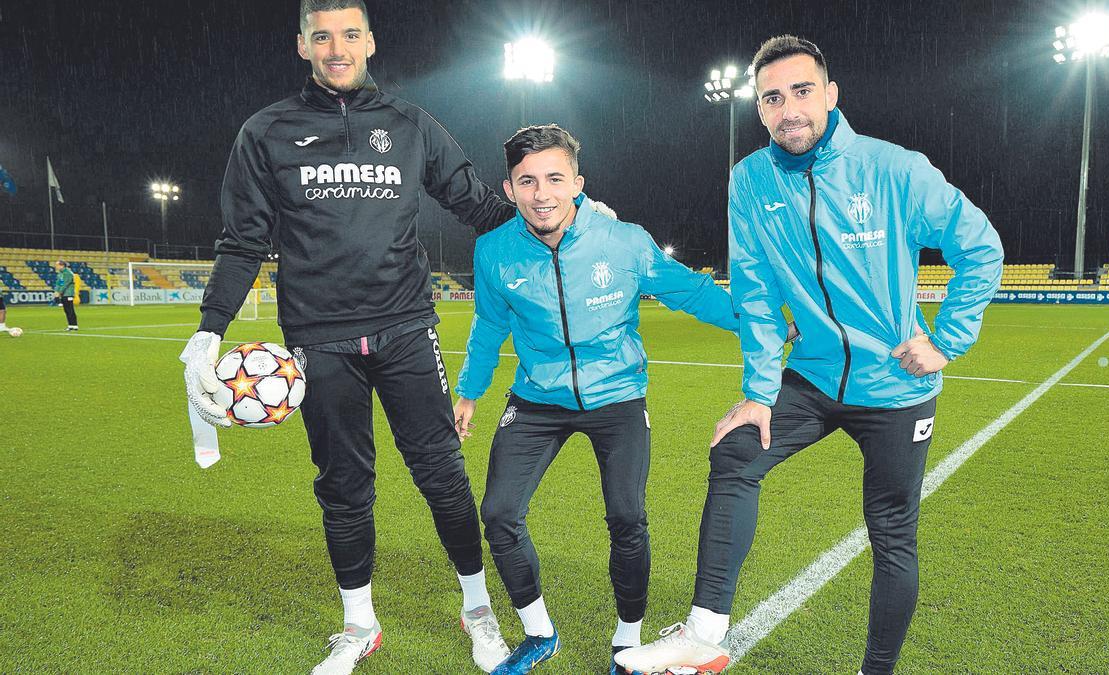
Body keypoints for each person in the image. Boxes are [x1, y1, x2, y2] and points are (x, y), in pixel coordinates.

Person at [172, 1, 580, 672]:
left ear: (370, 41)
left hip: (406, 329)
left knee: (443, 476)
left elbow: (476, 203)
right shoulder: (266, 131)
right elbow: (243, 238)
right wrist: (209, 328)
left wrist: (557, 225)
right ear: (302, 44)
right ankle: (359, 623)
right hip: (317, 341)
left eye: (350, 34)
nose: (338, 47)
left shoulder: (408, 124)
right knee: (342, 484)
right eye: (322, 35)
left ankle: (477, 609)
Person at [616, 36, 1003, 675]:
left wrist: (946, 340)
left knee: (891, 533)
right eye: (772, 97)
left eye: (801, 92)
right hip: (815, 377)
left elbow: (980, 246)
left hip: (896, 385)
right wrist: (759, 393)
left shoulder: (894, 170)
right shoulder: (750, 181)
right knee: (736, 451)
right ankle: (705, 637)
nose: (788, 109)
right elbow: (758, 296)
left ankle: (876, 668)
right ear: (760, 109)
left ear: (829, 95)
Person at [453, 124, 744, 675]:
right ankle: (539, 632)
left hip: (617, 397)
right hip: (536, 400)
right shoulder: (494, 252)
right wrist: (469, 392)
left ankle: (626, 637)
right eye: (528, 181)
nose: (542, 194)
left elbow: (693, 292)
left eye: (555, 179)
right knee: (498, 513)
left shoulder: (623, 241)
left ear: (577, 182)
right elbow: (488, 327)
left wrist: (759, 327)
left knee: (627, 516)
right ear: (509, 187)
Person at [53, 260, 78, 331]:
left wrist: (59, 292)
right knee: (66, 310)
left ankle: (74, 325)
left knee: (70, 309)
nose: (56, 266)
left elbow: (65, 284)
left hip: (68, 293)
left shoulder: (68, 273)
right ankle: (70, 325)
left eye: (57, 265)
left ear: (62, 265)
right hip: (64, 293)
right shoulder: (60, 274)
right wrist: (56, 291)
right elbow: (58, 283)